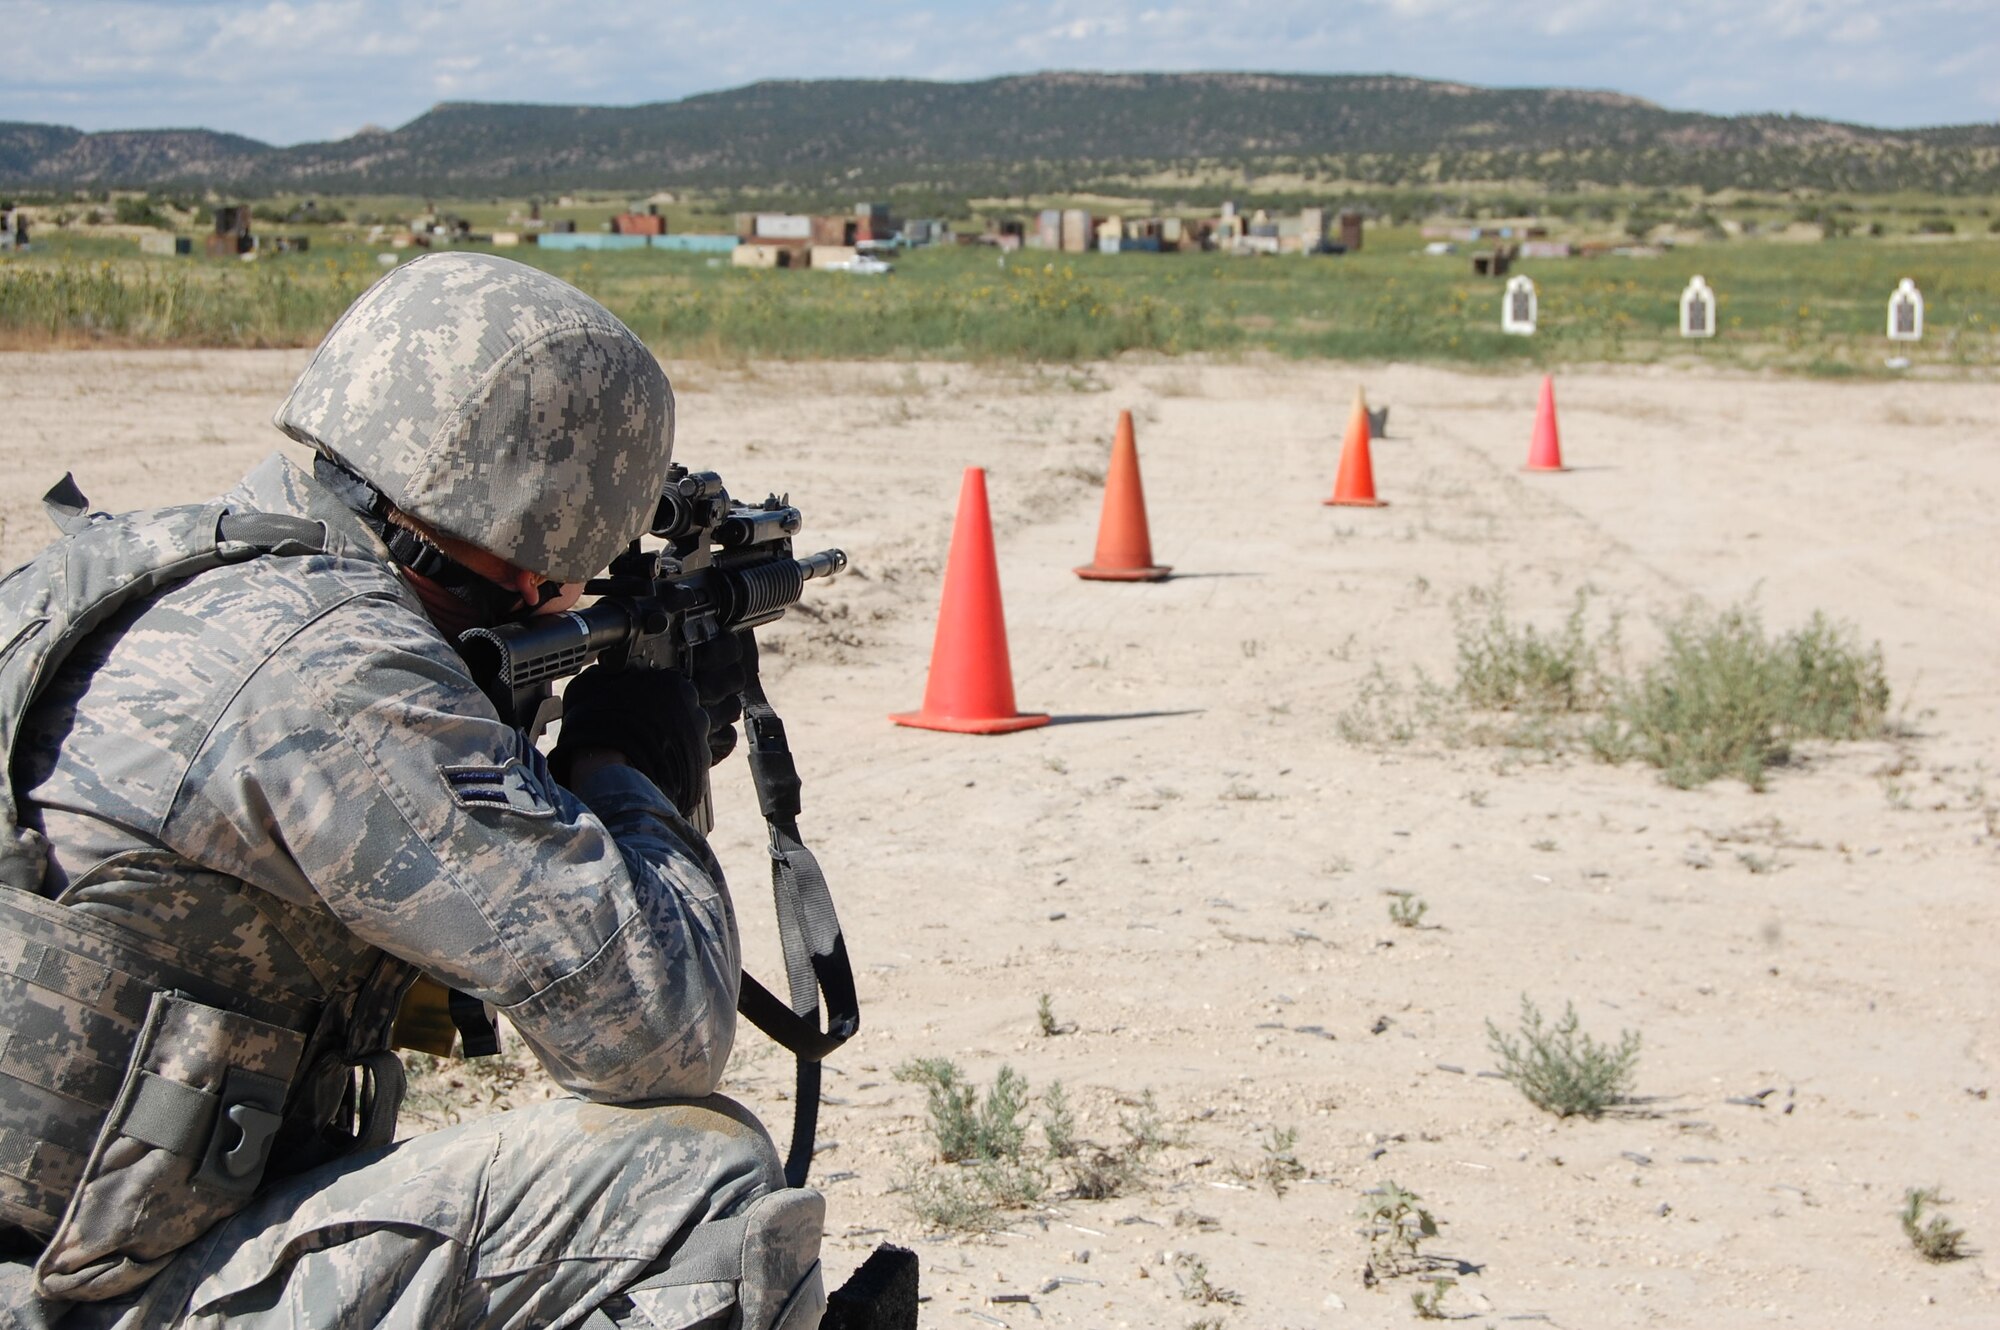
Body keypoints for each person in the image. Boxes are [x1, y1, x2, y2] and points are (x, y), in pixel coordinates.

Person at [0, 253, 824, 1328]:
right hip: (79, 1298)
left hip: (50, 1243)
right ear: (535, 543)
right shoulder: (343, 671)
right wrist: (630, 766)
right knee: (691, 1181)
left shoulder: (134, 570)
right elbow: (656, 1032)